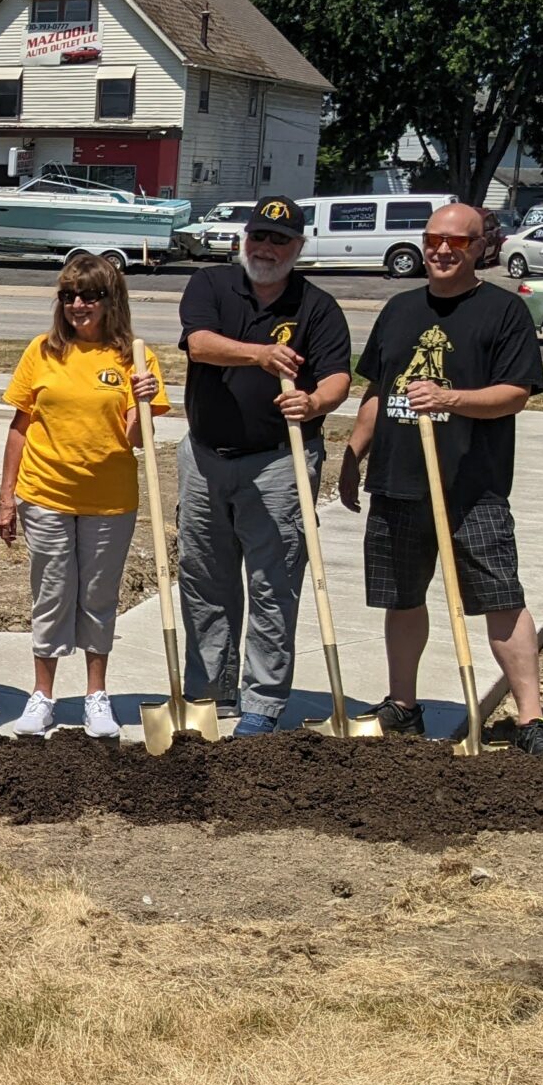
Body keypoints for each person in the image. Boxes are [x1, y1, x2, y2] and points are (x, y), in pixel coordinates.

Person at [337, 200, 543, 752]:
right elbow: (378, 389)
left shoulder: (503, 312)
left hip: (471, 485)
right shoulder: (399, 309)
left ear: (481, 246)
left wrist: (449, 398)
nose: (440, 249)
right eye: (433, 238)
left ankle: (531, 719)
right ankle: (403, 705)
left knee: (500, 596)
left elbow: (515, 394)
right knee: (402, 597)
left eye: (456, 241)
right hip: (398, 480)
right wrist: (354, 451)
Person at [175, 196, 356, 734]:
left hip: (280, 462)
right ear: (243, 240)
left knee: (274, 585)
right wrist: (258, 354)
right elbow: (199, 344)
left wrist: (315, 403)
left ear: (299, 247)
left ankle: (261, 704)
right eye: (259, 237)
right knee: (204, 580)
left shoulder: (317, 307)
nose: (267, 248)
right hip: (206, 457)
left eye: (281, 240)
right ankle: (210, 693)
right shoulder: (210, 286)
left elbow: (338, 378)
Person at [0, 254, 163, 738]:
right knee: (51, 594)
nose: (77, 304)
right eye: (68, 295)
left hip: (109, 500)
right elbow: (20, 427)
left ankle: (96, 697)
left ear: (112, 301)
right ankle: (42, 696)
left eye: (89, 295)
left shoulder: (134, 356)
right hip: (45, 492)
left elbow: (137, 439)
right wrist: (7, 496)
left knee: (97, 597)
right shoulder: (42, 351)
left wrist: (144, 400)